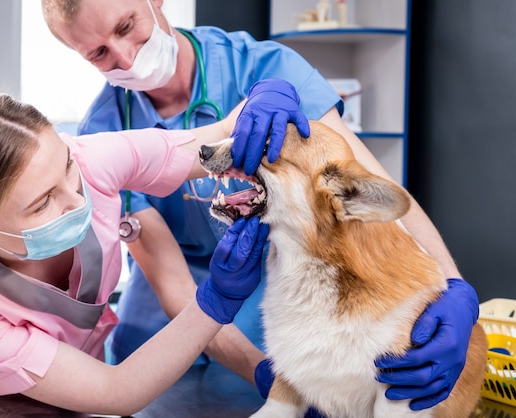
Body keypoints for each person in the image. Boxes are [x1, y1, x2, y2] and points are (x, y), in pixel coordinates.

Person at [41, 0, 481, 412]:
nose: (125, 55)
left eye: (125, 25)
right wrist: (271, 377)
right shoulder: (104, 129)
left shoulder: (264, 67)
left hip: (279, 293)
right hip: (170, 317)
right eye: (98, 52)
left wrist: (455, 291)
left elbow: (370, 188)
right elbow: (172, 283)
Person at [0, 85, 289, 418]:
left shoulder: (89, 159)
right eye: (43, 203)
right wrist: (214, 301)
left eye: (66, 168)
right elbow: (117, 390)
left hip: (77, 397)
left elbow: (214, 136)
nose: (78, 200)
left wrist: (261, 101)